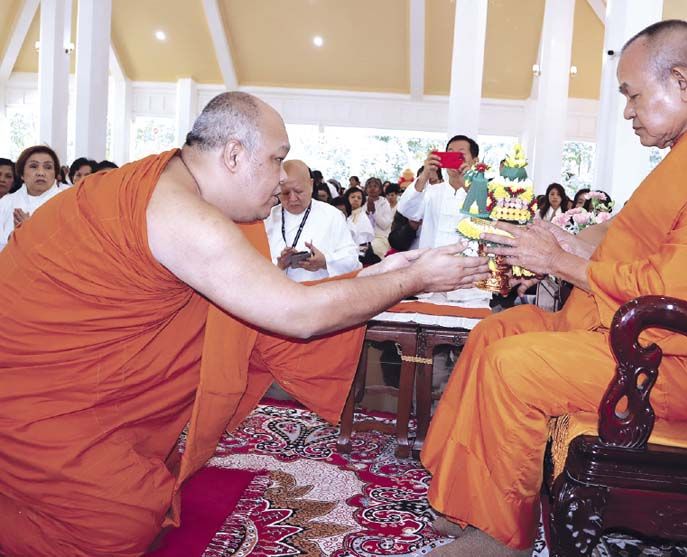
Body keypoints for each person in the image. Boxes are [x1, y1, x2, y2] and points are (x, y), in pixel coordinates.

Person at [0, 92, 489, 556]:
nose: (283, 178)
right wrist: (414, 279)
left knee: (140, 498)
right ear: (233, 154)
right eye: (277, 159)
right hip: (34, 396)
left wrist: (377, 274)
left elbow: (269, 302)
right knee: (113, 524)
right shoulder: (186, 216)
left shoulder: (176, 186)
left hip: (91, 383)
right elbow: (295, 316)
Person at [422, 20, 687, 556]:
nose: (627, 111)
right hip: (638, 333)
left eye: (633, 95)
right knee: (498, 329)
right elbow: (644, 251)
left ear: (681, 83)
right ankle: (465, 500)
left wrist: (560, 261)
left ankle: (497, 538)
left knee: (515, 364)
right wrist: (565, 245)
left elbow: (684, 294)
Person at [266, 159, 360, 282]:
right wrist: (279, 265)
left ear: (311, 185)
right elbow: (251, 267)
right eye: (285, 193)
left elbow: (352, 260)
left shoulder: (332, 215)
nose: (292, 198)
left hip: (320, 293)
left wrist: (325, 261)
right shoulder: (267, 217)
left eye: (299, 191)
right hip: (276, 292)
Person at [397, 135, 478, 251]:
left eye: (460, 154)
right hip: (431, 262)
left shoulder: (485, 194)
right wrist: (425, 174)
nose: (454, 158)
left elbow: (488, 221)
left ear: (475, 161)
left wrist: (468, 186)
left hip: (466, 264)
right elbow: (407, 210)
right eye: (450, 153)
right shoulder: (431, 191)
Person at [0, 145, 70, 251]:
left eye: (48, 167)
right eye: (33, 166)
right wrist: (14, 241)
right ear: (22, 174)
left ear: (55, 174)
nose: (40, 173)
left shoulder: (67, 202)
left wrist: (31, 232)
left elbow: (69, 247)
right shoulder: (6, 202)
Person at [363, 176, 393, 258]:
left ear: (380, 190)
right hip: (364, 237)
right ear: (366, 190)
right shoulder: (362, 201)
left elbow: (385, 225)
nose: (372, 189)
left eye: (375, 186)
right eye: (369, 187)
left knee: (374, 247)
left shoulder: (384, 203)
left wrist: (374, 212)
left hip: (380, 236)